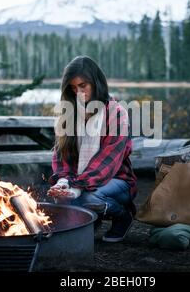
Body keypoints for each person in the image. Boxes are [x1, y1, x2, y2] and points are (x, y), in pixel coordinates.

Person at [47, 55, 137, 243]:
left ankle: (123, 216)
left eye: (83, 86)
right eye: (72, 88)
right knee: (61, 198)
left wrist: (77, 186)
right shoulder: (69, 112)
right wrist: (63, 181)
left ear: (96, 83)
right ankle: (90, 220)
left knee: (87, 198)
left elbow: (107, 162)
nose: (78, 93)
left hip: (117, 180)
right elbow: (60, 155)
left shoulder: (116, 113)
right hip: (82, 179)